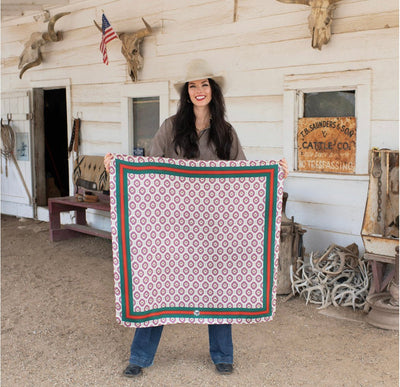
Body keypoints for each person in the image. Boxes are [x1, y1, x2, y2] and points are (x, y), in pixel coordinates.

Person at [104, 59, 289, 377]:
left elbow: (243, 179)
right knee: (160, 283)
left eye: (204, 84)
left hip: (214, 228)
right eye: (192, 85)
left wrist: (276, 174)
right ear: (186, 92)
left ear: (213, 91)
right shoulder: (170, 127)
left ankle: (222, 355)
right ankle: (140, 357)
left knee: (218, 286)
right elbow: (147, 173)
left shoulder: (226, 133)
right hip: (172, 229)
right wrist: (116, 167)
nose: (199, 90)